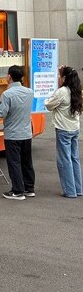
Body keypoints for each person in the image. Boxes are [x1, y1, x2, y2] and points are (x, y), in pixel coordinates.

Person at [0, 65, 35, 200]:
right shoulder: (30, 92)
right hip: (26, 132)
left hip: (13, 134)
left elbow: (1, 113)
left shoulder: (7, 94)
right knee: (26, 162)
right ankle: (29, 188)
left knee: (14, 163)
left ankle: (17, 191)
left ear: (9, 76)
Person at [44, 65, 82, 198]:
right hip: (74, 128)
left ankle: (69, 191)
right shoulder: (77, 90)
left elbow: (48, 104)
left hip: (63, 129)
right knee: (74, 158)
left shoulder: (62, 92)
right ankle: (78, 189)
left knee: (64, 160)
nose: (58, 79)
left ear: (64, 78)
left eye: (60, 76)